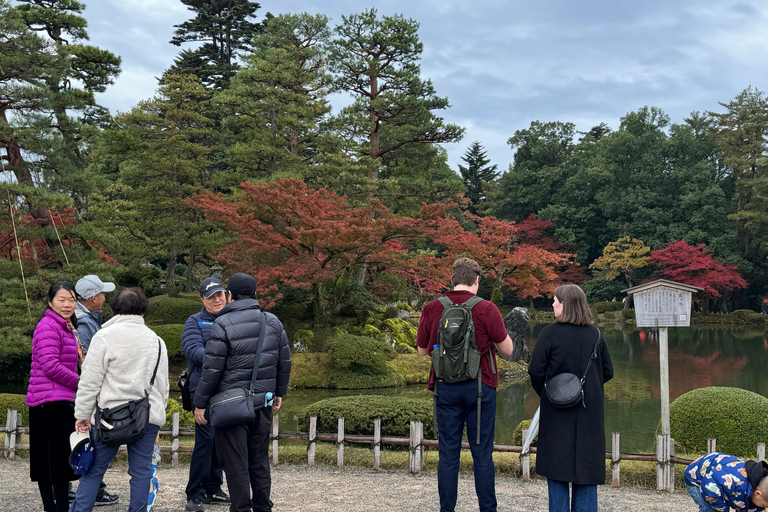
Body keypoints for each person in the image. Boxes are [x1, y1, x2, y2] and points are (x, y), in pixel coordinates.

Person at [416, 258, 514, 512]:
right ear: (476, 280)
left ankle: (447, 509)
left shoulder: (432, 308)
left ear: (453, 278)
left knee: (448, 454)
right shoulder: (486, 308)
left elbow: (422, 351)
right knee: (482, 455)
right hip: (480, 388)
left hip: (444, 388)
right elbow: (508, 350)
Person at [193, 273, 291, 512]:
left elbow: (212, 369)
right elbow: (284, 361)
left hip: (232, 405)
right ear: (255, 294)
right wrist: (279, 392)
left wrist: (200, 403)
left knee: (236, 462)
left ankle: (241, 508)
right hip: (263, 403)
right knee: (259, 459)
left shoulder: (223, 324)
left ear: (230, 296)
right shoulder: (273, 321)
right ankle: (262, 506)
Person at [69, 287, 169, 512]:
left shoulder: (103, 337)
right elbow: (163, 385)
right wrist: (158, 413)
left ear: (115, 308)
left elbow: (90, 382)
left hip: (109, 417)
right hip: (147, 416)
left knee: (94, 471)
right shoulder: (157, 341)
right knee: (141, 471)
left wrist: (82, 415)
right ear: (143, 310)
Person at [528, 284, 614, 512]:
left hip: (556, 413)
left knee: (556, 470)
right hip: (589, 413)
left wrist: (550, 395)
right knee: (585, 473)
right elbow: (608, 372)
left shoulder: (549, 333)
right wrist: (585, 391)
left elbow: (535, 371)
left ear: (565, 304)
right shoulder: (596, 335)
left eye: (556, 300)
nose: (553, 304)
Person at [27, 281, 82, 512]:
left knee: (59, 462)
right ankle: (54, 508)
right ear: (50, 302)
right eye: (62, 299)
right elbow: (50, 365)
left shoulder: (67, 326)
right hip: (47, 403)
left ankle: (59, 508)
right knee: (50, 464)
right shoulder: (48, 325)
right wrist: (82, 383)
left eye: (71, 299)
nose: (67, 304)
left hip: (60, 400)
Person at [183, 277, 230, 512]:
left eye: (219, 294)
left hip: (228, 390)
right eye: (211, 297)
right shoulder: (194, 321)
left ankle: (214, 487)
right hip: (201, 389)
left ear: (227, 295)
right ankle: (195, 493)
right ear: (202, 299)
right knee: (205, 440)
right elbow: (193, 351)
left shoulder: (233, 319)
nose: (216, 299)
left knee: (219, 441)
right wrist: (223, 358)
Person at [72, 274, 119, 506]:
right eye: (102, 293)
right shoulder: (83, 322)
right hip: (85, 389)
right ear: (92, 297)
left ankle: (94, 490)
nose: (104, 297)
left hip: (85, 388)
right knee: (90, 441)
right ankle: (93, 491)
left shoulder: (88, 317)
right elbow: (87, 362)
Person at [685, 452, 768, 511]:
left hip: (720, 484)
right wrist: (723, 509)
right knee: (709, 509)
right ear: (758, 493)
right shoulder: (735, 480)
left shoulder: (757, 488)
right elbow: (710, 490)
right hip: (697, 478)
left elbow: (751, 506)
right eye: (764, 505)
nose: (764, 507)